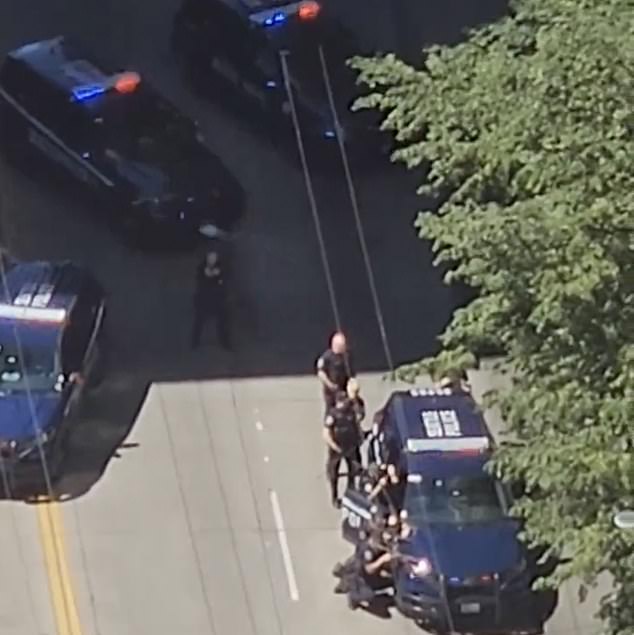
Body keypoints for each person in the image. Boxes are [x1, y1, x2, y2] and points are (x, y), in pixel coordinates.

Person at [323, 390, 363, 508]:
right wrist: (334, 446)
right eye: (343, 401)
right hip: (337, 448)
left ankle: (350, 494)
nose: (346, 403)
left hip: (351, 445)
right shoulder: (332, 415)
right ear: (338, 402)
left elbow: (358, 422)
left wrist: (359, 438)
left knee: (354, 470)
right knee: (333, 473)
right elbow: (326, 434)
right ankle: (335, 497)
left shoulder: (351, 411)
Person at [191, 249, 231, 350]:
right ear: (207, 257)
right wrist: (211, 276)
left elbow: (223, 281)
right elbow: (201, 279)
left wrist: (218, 278)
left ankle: (225, 342)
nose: (212, 259)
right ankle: (194, 342)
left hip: (217, 300)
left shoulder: (220, 267)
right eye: (210, 257)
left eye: (214, 257)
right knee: (199, 322)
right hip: (204, 300)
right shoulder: (202, 268)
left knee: (222, 322)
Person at [316, 332, 355, 413]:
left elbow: (351, 373)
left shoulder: (347, 356)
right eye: (340, 346)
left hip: (345, 389)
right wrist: (330, 385)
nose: (342, 348)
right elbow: (321, 373)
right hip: (331, 391)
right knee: (331, 412)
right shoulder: (327, 357)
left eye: (343, 345)